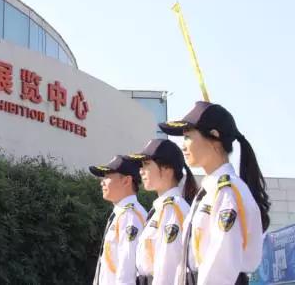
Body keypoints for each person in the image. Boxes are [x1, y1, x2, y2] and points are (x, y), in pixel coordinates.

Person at [158, 101, 270, 285]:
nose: (183, 146)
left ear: (214, 137)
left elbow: (221, 267)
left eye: (188, 137)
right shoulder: (209, 192)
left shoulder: (228, 192)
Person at [126, 139, 198, 285]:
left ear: (167, 169)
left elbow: (167, 270)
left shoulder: (172, 209)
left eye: (146, 164)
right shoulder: (162, 208)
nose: (141, 171)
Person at [90, 155, 147, 285]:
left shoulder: (130, 217)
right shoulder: (122, 214)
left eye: (107, 177)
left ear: (126, 181)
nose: (102, 182)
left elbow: (127, 273)